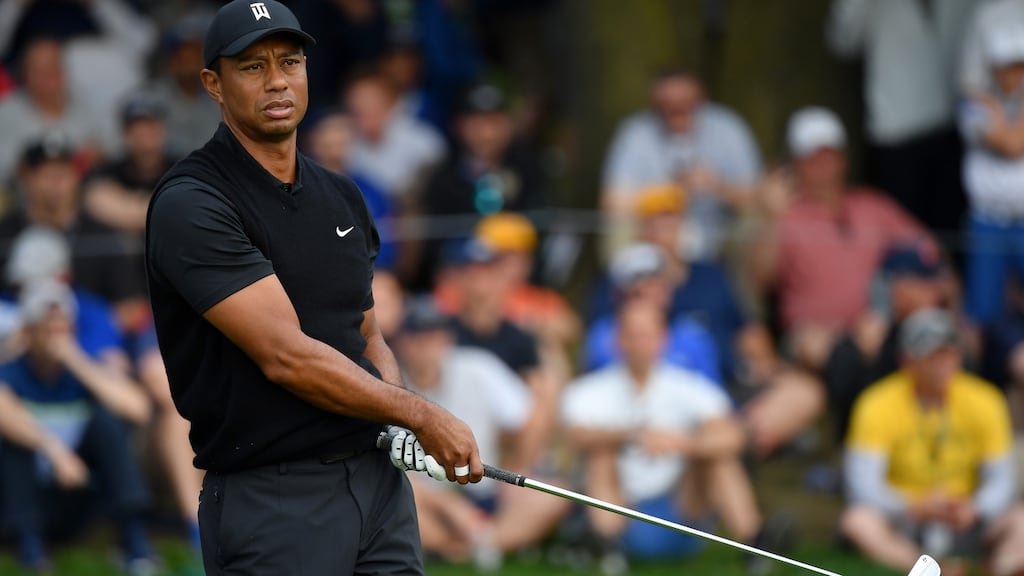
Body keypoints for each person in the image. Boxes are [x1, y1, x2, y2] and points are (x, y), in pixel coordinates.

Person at [144, 2, 483, 574]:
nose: (277, 80)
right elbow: (287, 357)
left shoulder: (341, 194)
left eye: (290, 62)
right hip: (274, 495)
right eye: (253, 66)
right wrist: (420, 415)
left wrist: (397, 427)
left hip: (378, 489)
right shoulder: (194, 202)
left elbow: (367, 333)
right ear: (214, 84)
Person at [563, 299, 793, 576]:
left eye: (647, 335)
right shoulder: (588, 390)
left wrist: (682, 444)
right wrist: (633, 436)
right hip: (624, 511)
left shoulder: (688, 386)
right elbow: (575, 438)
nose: (640, 344)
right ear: (618, 340)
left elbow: (734, 436)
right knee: (601, 454)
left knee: (717, 456)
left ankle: (755, 545)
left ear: (663, 339)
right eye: (633, 334)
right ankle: (608, 547)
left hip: (682, 508)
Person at [749, 107, 936, 371]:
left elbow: (929, 250)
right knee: (821, 349)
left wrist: (910, 295)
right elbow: (760, 279)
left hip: (880, 324)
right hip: (815, 337)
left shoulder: (872, 205)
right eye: (813, 159)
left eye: (830, 155)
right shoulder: (785, 216)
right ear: (794, 166)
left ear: (843, 159)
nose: (823, 167)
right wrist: (771, 220)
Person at [841, 308, 1024, 576]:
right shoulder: (875, 403)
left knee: (1021, 519)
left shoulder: (986, 400)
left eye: (949, 354)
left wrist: (975, 508)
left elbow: (1001, 479)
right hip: (904, 521)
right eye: (932, 356)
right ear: (907, 361)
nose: (943, 363)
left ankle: (1000, 568)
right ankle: (926, 569)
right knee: (858, 521)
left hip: (966, 518)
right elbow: (863, 486)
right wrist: (911, 506)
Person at [393, 297, 569, 571]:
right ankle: (457, 546)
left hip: (484, 487)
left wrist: (517, 465)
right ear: (402, 342)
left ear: (448, 339)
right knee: (396, 489)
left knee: (554, 494)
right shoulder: (389, 382)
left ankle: (480, 544)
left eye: (435, 336)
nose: (427, 346)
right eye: (418, 337)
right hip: (425, 499)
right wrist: (449, 505)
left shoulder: (477, 367)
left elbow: (530, 417)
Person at [0, 279, 155, 574]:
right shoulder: (11, 371)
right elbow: (4, 413)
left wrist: (75, 359)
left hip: (77, 493)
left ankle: (135, 542)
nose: (56, 336)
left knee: (107, 422)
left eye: (63, 328)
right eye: (47, 329)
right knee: (16, 441)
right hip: (27, 499)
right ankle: (30, 549)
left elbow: (138, 409)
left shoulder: (86, 367)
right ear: (28, 332)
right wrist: (55, 450)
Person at [826, 0, 973, 236]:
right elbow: (843, 41)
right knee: (900, 239)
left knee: (951, 235)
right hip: (895, 134)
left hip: (953, 125)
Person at [600, 67, 762, 261]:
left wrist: (717, 186)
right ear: (653, 104)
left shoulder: (728, 128)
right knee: (618, 225)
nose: (676, 111)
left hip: (717, 233)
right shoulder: (636, 132)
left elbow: (758, 196)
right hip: (652, 235)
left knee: (756, 222)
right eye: (666, 105)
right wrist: (670, 195)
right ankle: (628, 280)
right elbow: (613, 201)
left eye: (684, 104)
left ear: (702, 99)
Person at [958, 24, 1024, 329]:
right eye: (1006, 67)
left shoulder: (990, 104)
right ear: (993, 69)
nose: (1014, 75)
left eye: (1019, 65)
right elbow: (1013, 145)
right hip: (988, 220)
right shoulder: (973, 106)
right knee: (983, 312)